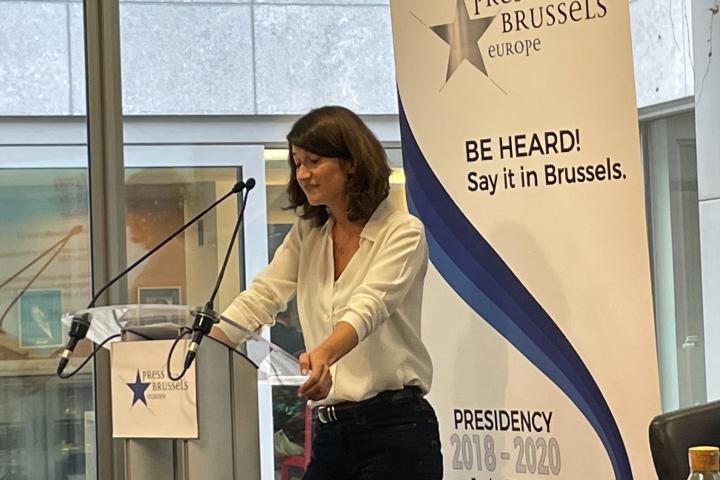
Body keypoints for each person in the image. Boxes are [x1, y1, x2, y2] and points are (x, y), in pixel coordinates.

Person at [215, 105, 442, 479]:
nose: (303, 174)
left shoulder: (403, 232)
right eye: (297, 163)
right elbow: (263, 296)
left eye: (314, 161)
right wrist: (204, 346)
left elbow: (368, 308)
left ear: (351, 162)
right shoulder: (309, 234)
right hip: (331, 431)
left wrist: (322, 354)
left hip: (396, 428)